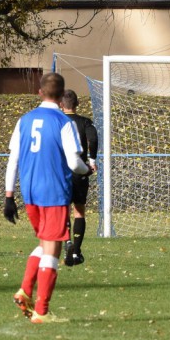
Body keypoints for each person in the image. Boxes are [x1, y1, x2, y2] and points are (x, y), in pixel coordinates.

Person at [5, 73, 93, 324]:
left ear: (40, 92)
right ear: (62, 94)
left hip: (30, 192)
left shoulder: (24, 120)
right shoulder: (63, 122)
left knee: (46, 243)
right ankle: (41, 311)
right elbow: (74, 162)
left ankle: (25, 290)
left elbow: (13, 160)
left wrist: (9, 196)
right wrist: (87, 169)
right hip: (53, 192)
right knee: (53, 250)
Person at [60, 90, 98, 267]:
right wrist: (92, 160)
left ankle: (67, 242)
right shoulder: (84, 122)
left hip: (61, 171)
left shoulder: (57, 121)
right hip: (80, 170)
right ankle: (76, 252)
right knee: (79, 210)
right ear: (77, 104)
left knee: (63, 210)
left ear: (61, 105)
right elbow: (93, 139)